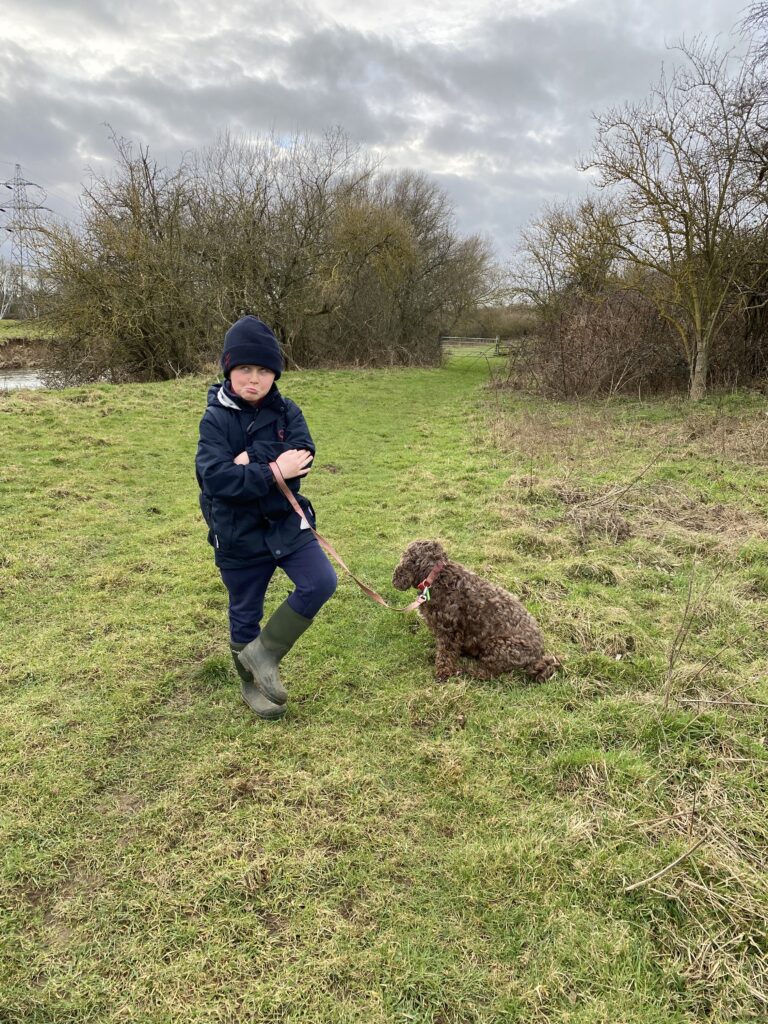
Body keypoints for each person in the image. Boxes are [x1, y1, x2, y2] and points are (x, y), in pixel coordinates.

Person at [195, 315, 337, 720]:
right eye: (243, 369)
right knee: (245, 612)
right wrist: (275, 469)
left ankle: (265, 654)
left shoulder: (288, 410)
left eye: (262, 370)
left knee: (322, 582)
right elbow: (216, 479)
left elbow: (304, 455)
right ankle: (249, 683)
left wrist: (250, 460)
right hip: (237, 533)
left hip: (287, 523)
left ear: (275, 374)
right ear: (229, 370)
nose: (253, 379)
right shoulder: (215, 419)